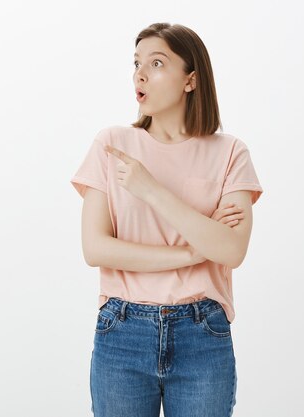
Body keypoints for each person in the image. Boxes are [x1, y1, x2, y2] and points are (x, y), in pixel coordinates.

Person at [70, 22, 263, 417]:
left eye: (156, 63)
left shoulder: (230, 153)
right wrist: (195, 249)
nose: (140, 73)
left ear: (191, 80)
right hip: (123, 329)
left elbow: (232, 250)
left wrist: (152, 190)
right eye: (137, 62)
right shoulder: (112, 145)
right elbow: (96, 248)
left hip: (202, 332)